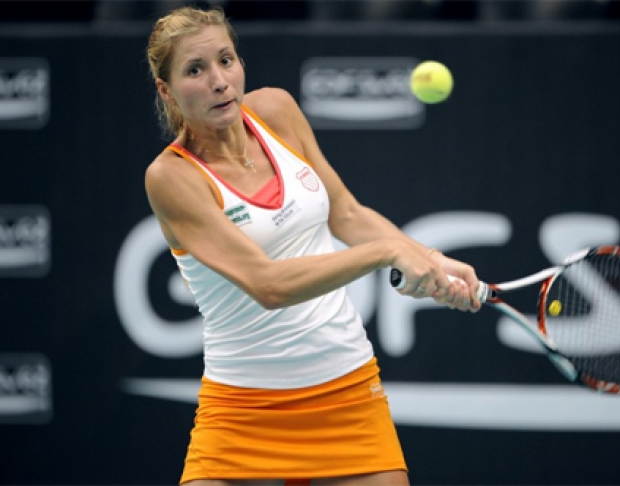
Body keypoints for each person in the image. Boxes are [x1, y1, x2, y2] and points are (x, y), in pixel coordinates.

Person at [144, 6, 482, 486]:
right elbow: (268, 285)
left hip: (345, 388)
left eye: (225, 60)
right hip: (243, 409)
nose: (219, 81)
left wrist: (430, 258)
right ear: (167, 90)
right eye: (195, 70)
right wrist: (387, 253)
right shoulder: (171, 177)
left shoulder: (276, 111)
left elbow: (346, 214)